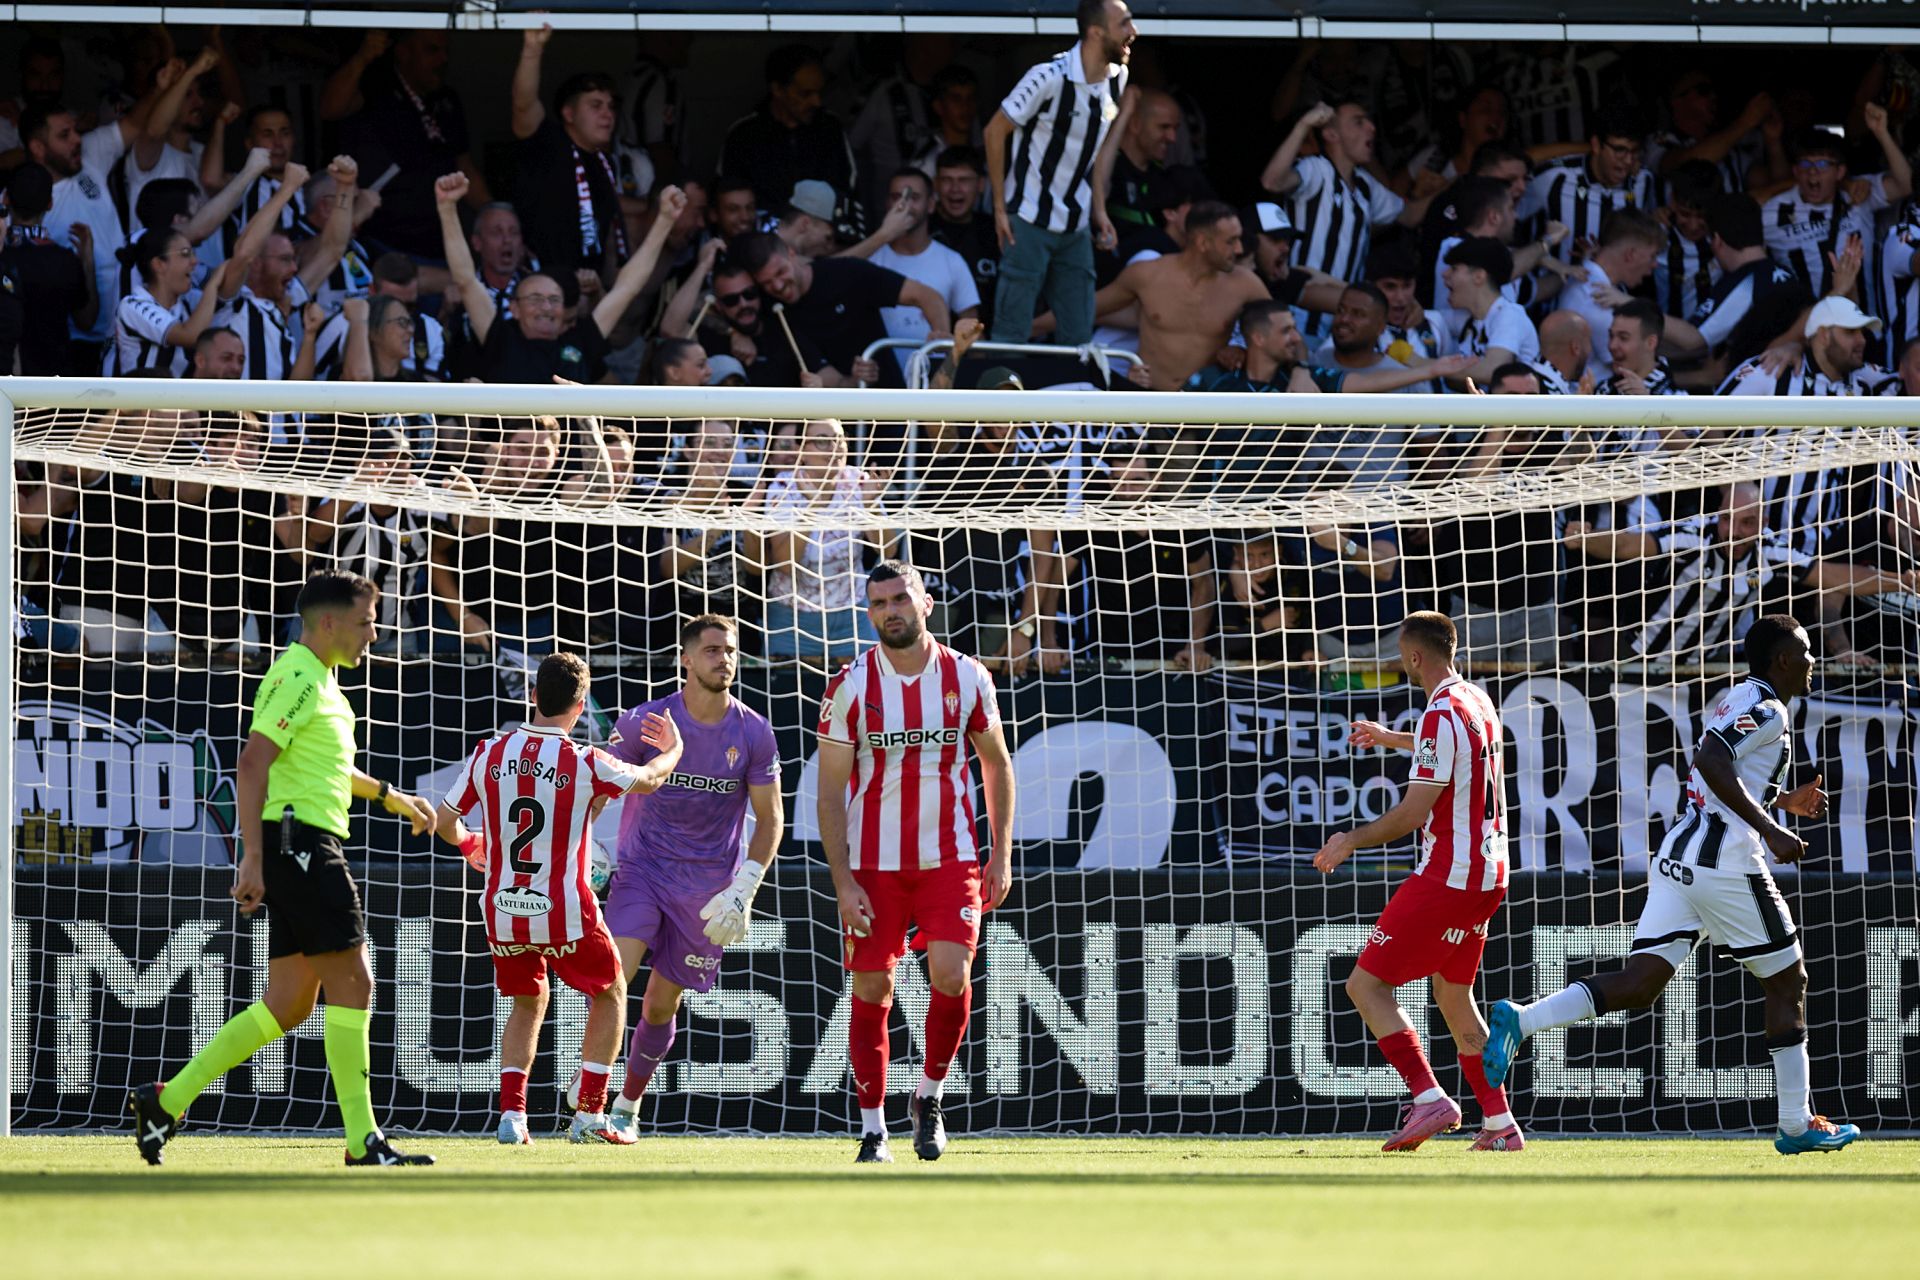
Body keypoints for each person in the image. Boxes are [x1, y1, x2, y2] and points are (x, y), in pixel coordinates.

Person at [1483, 615, 1861, 1157]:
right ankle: (1796, 1123)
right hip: (1726, 864)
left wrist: (1781, 800)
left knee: (1640, 984)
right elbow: (1710, 762)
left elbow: (1721, 771)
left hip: (1681, 857)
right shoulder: (1770, 709)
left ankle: (1523, 1018)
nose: (1812, 661)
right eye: (1805, 651)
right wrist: (1773, 828)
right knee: (1788, 980)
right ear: (1781, 660)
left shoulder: (1740, 697)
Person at [128, 569, 439, 1167]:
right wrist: (252, 857)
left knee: (291, 1002)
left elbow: (321, 770)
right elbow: (251, 763)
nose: (373, 635)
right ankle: (362, 1140)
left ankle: (167, 1101)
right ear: (327, 623)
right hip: (300, 842)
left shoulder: (320, 683)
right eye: (365, 622)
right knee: (357, 982)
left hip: (299, 839)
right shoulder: (297, 674)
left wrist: (388, 795)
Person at [434, 652, 684, 1146]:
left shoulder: (490, 753)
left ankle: (512, 1118)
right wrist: (673, 749)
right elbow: (651, 779)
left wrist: (470, 844)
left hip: (503, 909)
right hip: (563, 908)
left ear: (532, 698)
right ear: (580, 705)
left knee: (528, 1002)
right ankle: (590, 1114)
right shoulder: (586, 762)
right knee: (610, 992)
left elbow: (445, 822)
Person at [817, 560, 1016, 1163]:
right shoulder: (850, 685)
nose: (890, 611)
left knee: (951, 975)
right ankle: (873, 1128)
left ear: (925, 602)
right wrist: (843, 878)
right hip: (873, 865)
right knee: (873, 986)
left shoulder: (968, 676)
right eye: (878, 604)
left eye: (900, 598)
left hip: (950, 857)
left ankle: (928, 1097)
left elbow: (996, 765)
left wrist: (1000, 854)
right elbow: (828, 792)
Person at [1312, 611, 1518, 1153]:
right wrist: (1389, 738)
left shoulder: (1438, 714)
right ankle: (1499, 1124)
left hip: (1448, 875)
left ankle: (1428, 1097)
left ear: (1414, 658)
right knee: (1454, 995)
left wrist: (1348, 840)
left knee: (1365, 985)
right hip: (1490, 874)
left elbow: (1409, 815)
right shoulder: (1476, 700)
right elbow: (1444, 744)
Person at [599, 616, 783, 1139]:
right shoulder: (645, 721)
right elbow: (598, 780)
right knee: (613, 979)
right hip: (643, 869)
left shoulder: (753, 731)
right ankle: (592, 1086)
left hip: (708, 890)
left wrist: (745, 886)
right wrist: (586, 841)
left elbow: (770, 819)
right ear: (684, 659)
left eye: (729, 651)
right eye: (710, 650)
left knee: (662, 1003)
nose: (722, 659)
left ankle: (627, 1106)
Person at [438, 172, 685, 384]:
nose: (546, 307)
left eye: (554, 299)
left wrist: (664, 221)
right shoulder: (500, 339)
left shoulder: (580, 339)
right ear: (514, 308)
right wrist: (447, 208)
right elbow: (466, 280)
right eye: (535, 298)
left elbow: (627, 288)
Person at [984, 0, 1135, 345]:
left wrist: (1098, 211)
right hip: (1027, 219)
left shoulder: (1118, 78)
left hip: (1076, 225)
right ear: (1096, 32)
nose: (1133, 32)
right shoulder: (1046, 77)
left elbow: (1090, 151)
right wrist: (999, 208)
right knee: (1011, 332)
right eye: (1124, 24)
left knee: (1079, 335)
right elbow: (994, 131)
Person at [323, 29, 489, 261]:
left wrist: (493, 213)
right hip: (384, 242)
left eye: (445, 51)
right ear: (403, 52)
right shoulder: (376, 88)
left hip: (439, 241)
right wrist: (363, 57)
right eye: (432, 50)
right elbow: (331, 108)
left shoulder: (447, 100)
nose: (443, 59)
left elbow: (464, 166)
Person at [1066, 200, 1267, 389]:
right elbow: (1082, 310)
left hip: (1207, 409)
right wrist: (1035, 327)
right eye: (1231, 241)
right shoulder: (1147, 275)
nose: (1239, 249)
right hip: (1148, 404)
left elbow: (1282, 328)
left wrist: (1241, 347)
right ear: (1203, 243)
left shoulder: (1246, 283)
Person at [734, 232, 950, 387]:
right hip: (830, 427)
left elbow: (926, 296)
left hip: (890, 409)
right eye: (767, 283)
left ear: (792, 254)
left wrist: (940, 338)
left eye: (781, 272)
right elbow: (719, 304)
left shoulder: (846, 273)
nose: (778, 286)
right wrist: (735, 332)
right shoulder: (770, 306)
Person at [509, 24, 627, 279]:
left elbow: (604, 234)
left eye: (610, 106)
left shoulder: (606, 163)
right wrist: (533, 48)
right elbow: (523, 105)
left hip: (588, 288)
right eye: (596, 105)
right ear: (568, 113)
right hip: (542, 286)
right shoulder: (548, 144)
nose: (607, 114)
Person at [1762, 110, 1910, 300]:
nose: (1813, 172)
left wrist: (1881, 132)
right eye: (1805, 165)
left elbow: (1905, 185)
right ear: (1795, 172)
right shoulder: (1773, 211)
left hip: (1864, 324)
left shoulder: (1857, 194)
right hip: (1808, 325)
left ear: (1840, 172)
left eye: (1823, 164)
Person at [720, 45, 858, 216]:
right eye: (805, 94)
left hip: (821, 235)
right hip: (764, 238)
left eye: (819, 92)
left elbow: (846, 188)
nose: (816, 102)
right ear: (777, 90)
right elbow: (730, 196)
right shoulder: (744, 135)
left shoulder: (830, 128)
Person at [870, 167, 980, 378]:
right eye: (896, 197)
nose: (903, 205)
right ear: (887, 204)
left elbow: (973, 329)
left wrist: (951, 342)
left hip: (935, 386)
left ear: (931, 205)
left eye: (913, 197)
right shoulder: (871, 259)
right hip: (880, 384)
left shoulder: (952, 261)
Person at [1524, 103, 1657, 260]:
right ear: (1595, 144)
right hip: (1557, 282)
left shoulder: (1643, 180)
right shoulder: (1553, 178)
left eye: (1634, 151)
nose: (1628, 160)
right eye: (1620, 150)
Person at [2, 163, 97, 373]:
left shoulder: (4, 257)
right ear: (50, 204)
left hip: (7, 378)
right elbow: (86, 321)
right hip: (54, 381)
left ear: (5, 199)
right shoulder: (64, 261)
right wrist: (87, 262)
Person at [1551, 208, 1664, 377]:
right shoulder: (1598, 300)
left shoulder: (1590, 277)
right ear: (1631, 255)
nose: (1655, 264)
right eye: (1652, 256)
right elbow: (1638, 370)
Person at [1440, 237, 1539, 385]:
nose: (1445, 274)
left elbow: (1491, 371)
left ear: (1479, 276)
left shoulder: (1510, 315)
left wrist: (1423, 366)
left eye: (1454, 268)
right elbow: (1423, 319)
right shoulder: (1469, 317)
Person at [930, 146, 999, 332]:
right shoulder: (921, 231)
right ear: (936, 184)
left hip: (988, 345)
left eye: (964, 180)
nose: (955, 189)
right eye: (947, 180)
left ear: (981, 184)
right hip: (931, 342)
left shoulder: (997, 232)